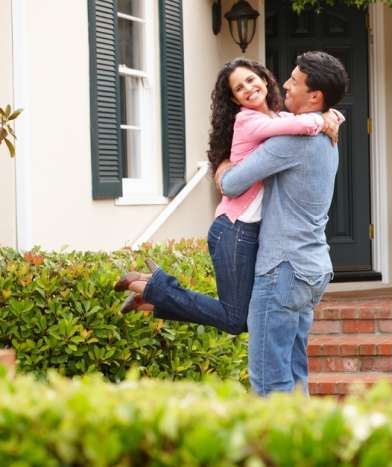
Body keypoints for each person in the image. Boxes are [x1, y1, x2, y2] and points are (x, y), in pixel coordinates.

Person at [118, 51, 348, 396]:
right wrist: (328, 116)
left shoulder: (292, 141)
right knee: (295, 371)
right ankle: (300, 441)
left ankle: (156, 290)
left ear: (314, 96)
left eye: (294, 81)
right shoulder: (326, 138)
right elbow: (291, 122)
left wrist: (224, 164)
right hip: (313, 268)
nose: (284, 83)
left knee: (270, 382)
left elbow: (231, 183)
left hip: (283, 268)